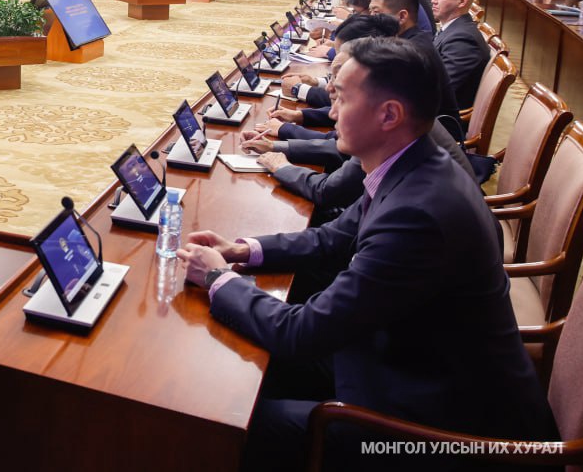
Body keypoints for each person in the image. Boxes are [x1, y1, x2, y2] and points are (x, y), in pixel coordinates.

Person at [177, 38, 554, 470]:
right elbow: (332, 238)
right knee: (234, 367)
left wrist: (217, 278)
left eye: (341, 98)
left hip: (441, 431)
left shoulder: (418, 213)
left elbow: (302, 332)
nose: (331, 113)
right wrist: (243, 250)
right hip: (399, 359)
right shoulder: (411, 164)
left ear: (389, 114)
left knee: (215, 423)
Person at [367, 0, 461, 134]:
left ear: (402, 16)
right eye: (370, 12)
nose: (371, 19)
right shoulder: (411, 39)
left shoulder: (410, 52)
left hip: (432, 136)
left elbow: (379, 103)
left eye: (376, 12)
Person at [431, 0, 491, 111]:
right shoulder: (453, 29)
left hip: (440, 116)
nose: (433, 0)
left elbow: (438, 89)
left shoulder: (463, 40)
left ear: (462, 2)